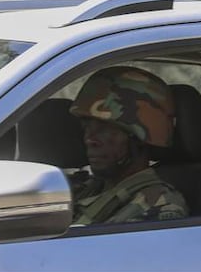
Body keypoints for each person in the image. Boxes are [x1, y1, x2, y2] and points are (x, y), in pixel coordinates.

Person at [67, 66, 189, 224]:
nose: (89, 139)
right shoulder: (86, 188)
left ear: (139, 139)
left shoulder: (159, 206)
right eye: (86, 127)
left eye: (105, 129)